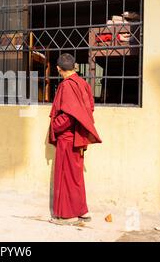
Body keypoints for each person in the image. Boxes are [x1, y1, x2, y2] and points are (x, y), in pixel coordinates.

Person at [48, 54, 102, 226]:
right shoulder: (83, 84)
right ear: (75, 67)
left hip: (67, 138)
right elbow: (89, 108)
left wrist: (55, 126)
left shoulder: (67, 86)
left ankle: (67, 215)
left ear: (58, 68)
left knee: (65, 176)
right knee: (75, 176)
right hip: (78, 137)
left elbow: (69, 115)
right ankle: (82, 211)